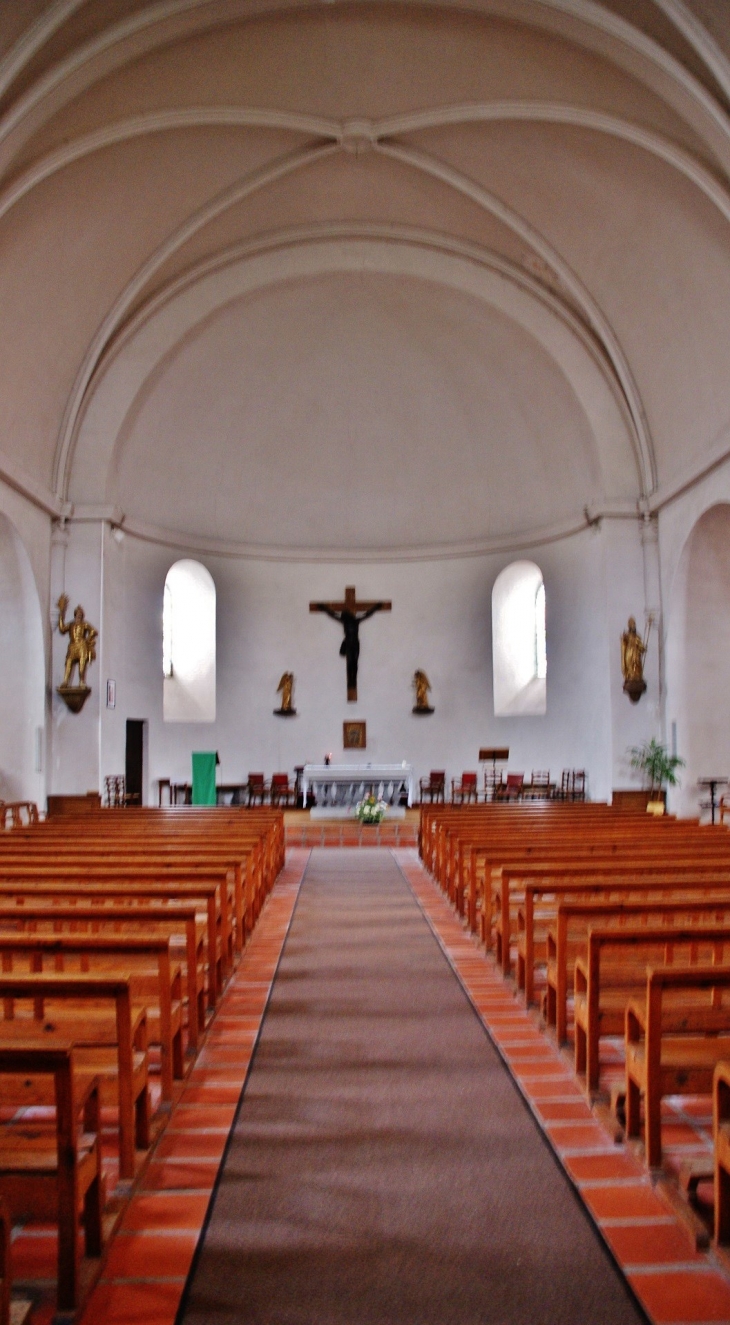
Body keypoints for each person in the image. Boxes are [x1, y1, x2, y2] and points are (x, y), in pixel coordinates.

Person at [312, 601, 386, 696]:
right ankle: (351, 681)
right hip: (349, 643)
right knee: (350, 662)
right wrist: (323, 608)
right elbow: (332, 614)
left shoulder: (356, 620)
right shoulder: (345, 621)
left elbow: (368, 614)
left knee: (354, 663)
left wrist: (376, 607)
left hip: (355, 643)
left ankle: (353, 680)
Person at [57, 594, 97, 687]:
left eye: (80, 614)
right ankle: (65, 681)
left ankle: (81, 682)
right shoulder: (71, 624)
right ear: (75, 615)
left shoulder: (84, 624)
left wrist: (88, 640)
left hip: (81, 645)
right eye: (77, 613)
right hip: (72, 645)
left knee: (82, 663)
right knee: (68, 662)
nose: (79, 615)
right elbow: (62, 629)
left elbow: (93, 631)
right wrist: (61, 612)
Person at [621, 616, 647, 683]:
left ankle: (637, 676)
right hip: (629, 653)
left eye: (634, 624)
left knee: (637, 665)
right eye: (632, 624)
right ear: (629, 626)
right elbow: (624, 643)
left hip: (636, 653)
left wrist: (643, 648)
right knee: (630, 665)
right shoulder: (627, 635)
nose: (634, 626)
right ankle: (630, 675)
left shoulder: (637, 636)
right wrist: (624, 639)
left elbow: (640, 645)